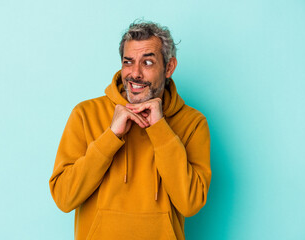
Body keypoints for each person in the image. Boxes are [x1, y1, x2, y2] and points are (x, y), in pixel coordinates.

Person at [49, 20, 212, 240]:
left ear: (169, 67)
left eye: (147, 62)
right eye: (128, 62)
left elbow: (190, 203)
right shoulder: (85, 114)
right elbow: (64, 198)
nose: (135, 73)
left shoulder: (193, 123)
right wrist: (111, 136)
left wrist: (160, 130)